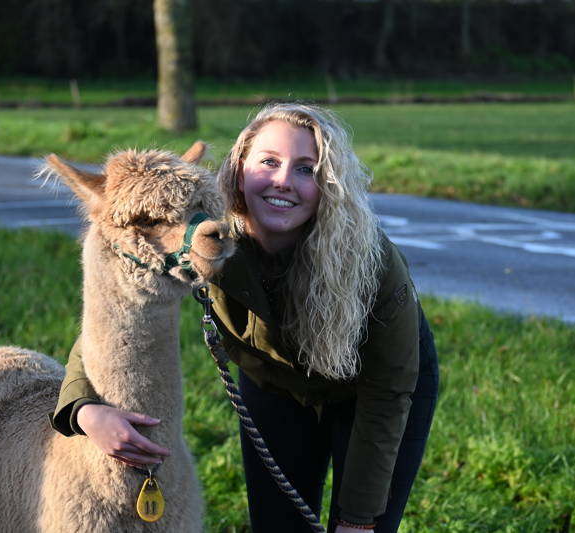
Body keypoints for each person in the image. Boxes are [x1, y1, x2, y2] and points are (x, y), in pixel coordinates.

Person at [50, 103, 439, 533]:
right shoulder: (208, 241)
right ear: (238, 167)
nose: (283, 181)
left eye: (306, 169)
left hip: (373, 392)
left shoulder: (370, 262)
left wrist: (358, 519)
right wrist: (82, 408)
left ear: (328, 184)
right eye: (268, 162)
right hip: (274, 385)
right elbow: (118, 311)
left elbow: (388, 393)